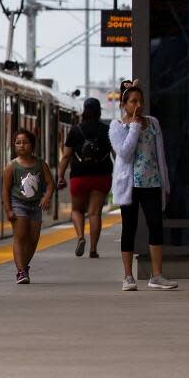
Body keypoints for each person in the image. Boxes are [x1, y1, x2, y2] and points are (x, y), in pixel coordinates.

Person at [110, 83, 178, 291]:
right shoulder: (117, 126)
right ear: (124, 105)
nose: (138, 105)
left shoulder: (153, 123)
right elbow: (125, 152)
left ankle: (156, 275)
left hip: (152, 182)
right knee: (129, 228)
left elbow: (160, 155)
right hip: (130, 185)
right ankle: (128, 276)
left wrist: (164, 182)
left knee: (156, 225)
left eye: (141, 101)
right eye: (133, 101)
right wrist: (134, 126)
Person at [57, 98, 112, 258]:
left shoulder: (75, 130)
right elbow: (116, 154)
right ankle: (93, 249)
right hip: (101, 175)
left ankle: (81, 237)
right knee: (95, 213)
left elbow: (66, 156)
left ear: (84, 110)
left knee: (77, 210)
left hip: (79, 175)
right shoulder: (107, 130)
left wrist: (60, 176)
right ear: (99, 111)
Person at [1, 128, 55, 284]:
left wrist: (46, 197)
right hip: (19, 204)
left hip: (36, 206)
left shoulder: (40, 164)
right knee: (20, 236)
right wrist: (8, 210)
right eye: (18, 143)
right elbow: (5, 190)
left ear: (32, 145)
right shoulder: (11, 166)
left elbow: (50, 184)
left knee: (33, 239)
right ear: (14, 146)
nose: (21, 145)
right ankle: (20, 271)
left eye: (25, 142)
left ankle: (24, 266)